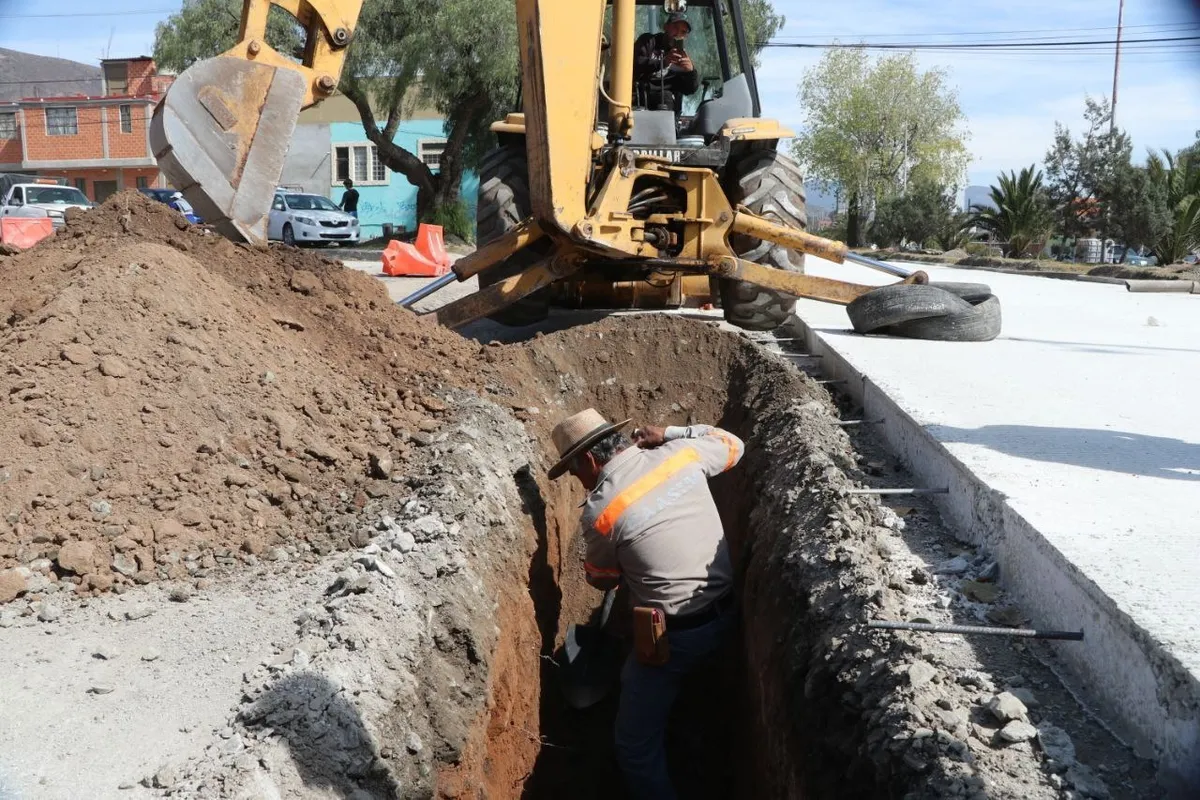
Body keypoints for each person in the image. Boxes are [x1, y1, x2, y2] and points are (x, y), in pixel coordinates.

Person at [548, 408, 743, 800]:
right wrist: (670, 432)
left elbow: (600, 579)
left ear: (588, 459)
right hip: (729, 614)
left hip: (674, 640)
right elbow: (733, 444)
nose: (577, 478)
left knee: (634, 748)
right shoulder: (681, 454)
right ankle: (696, 720)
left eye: (573, 470)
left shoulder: (601, 512)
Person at [632, 11, 700, 115]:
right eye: (675, 28)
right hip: (638, 96)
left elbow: (690, 89)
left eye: (683, 32)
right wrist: (663, 62)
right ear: (666, 27)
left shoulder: (682, 57)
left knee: (666, 97)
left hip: (665, 106)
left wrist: (690, 72)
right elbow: (635, 63)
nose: (677, 34)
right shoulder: (648, 41)